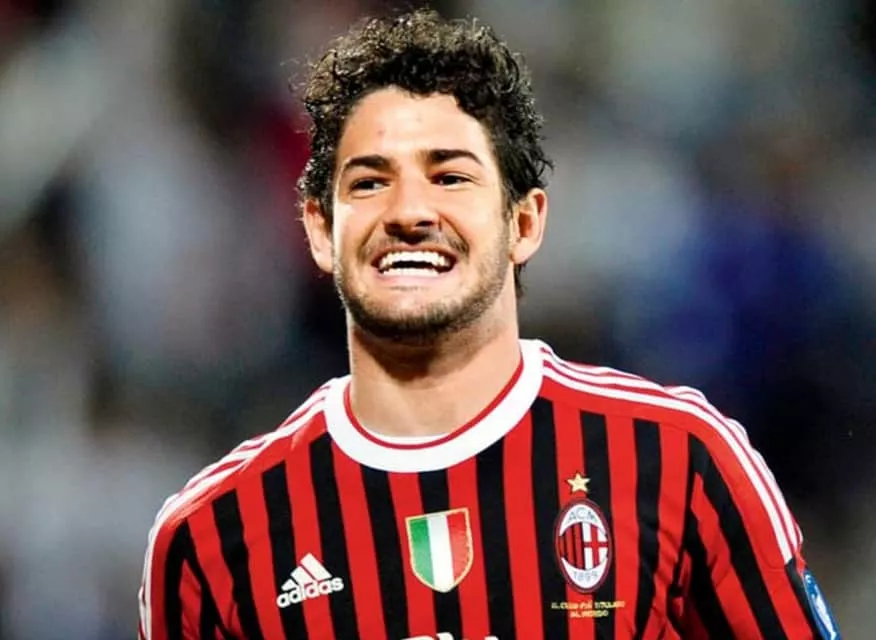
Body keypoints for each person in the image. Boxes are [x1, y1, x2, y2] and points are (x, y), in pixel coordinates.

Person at [138, 8, 841, 640]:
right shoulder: (211, 536)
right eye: (370, 182)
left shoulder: (680, 460)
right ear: (320, 230)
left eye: (449, 177)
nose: (409, 212)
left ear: (523, 222)